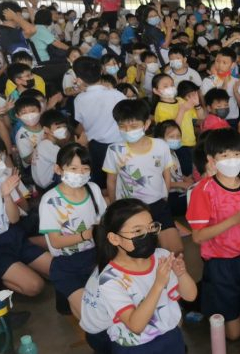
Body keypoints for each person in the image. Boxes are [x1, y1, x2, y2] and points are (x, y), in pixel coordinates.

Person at [92, 199, 197, 354]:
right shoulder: (110, 279)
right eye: (137, 231)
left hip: (169, 342)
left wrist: (182, 275)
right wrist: (158, 284)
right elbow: (136, 325)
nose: (148, 235)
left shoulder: (160, 255)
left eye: (151, 228)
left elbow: (190, 296)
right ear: (114, 239)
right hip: (134, 352)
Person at [187, 128, 240, 341]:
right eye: (225, 156)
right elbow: (198, 237)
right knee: (234, 335)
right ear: (212, 160)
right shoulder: (204, 190)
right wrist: (235, 220)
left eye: (237, 154)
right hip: (220, 263)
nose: (232, 160)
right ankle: (198, 302)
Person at [0, 133, 49, 297]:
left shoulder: (0, 177)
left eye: (2, 157)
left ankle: (16, 266)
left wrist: (6, 195)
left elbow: (14, 219)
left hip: (10, 236)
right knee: (35, 286)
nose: (2, 164)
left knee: (55, 270)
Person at [103, 99, 182, 254]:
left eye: (133, 126)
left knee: (176, 250)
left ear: (146, 124)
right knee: (140, 252)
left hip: (158, 204)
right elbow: (111, 181)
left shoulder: (161, 145)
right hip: (130, 208)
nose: (127, 130)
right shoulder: (114, 150)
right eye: (122, 126)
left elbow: (166, 173)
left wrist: (164, 196)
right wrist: (114, 206)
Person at [39, 144, 106, 319]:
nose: (80, 173)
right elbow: (55, 241)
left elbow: (103, 220)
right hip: (66, 263)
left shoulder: (94, 189)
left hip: (95, 256)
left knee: (104, 305)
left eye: (85, 168)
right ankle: (65, 297)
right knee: (87, 315)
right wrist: (87, 234)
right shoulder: (50, 200)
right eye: (73, 168)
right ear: (58, 169)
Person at [72, 57, 126, 190]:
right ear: (101, 71)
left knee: (103, 182)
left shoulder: (79, 100)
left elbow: (82, 127)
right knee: (123, 179)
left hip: (97, 148)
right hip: (121, 144)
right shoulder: (117, 94)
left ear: (79, 78)